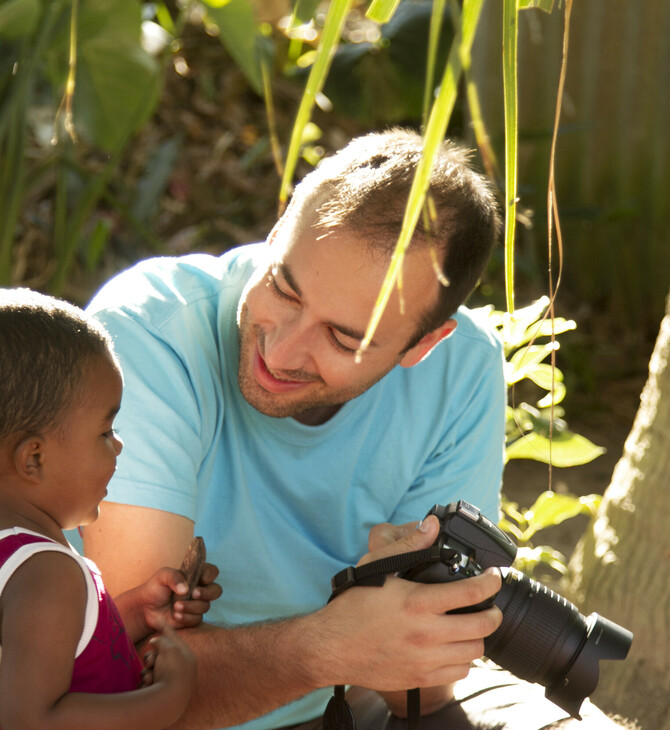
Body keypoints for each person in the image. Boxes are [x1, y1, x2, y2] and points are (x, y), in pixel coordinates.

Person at [79, 128, 622, 730]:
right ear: (280, 224)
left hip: (350, 701)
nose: (282, 350)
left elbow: (426, 690)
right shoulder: (148, 334)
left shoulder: (462, 363)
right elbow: (132, 678)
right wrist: (328, 645)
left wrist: (411, 615)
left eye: (343, 337)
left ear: (423, 344)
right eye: (284, 288)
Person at [0, 288, 221, 730]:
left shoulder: (20, 561)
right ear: (34, 459)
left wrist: (135, 613)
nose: (119, 445)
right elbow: (28, 718)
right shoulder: (48, 572)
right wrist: (168, 697)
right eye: (106, 430)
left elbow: (49, 651)